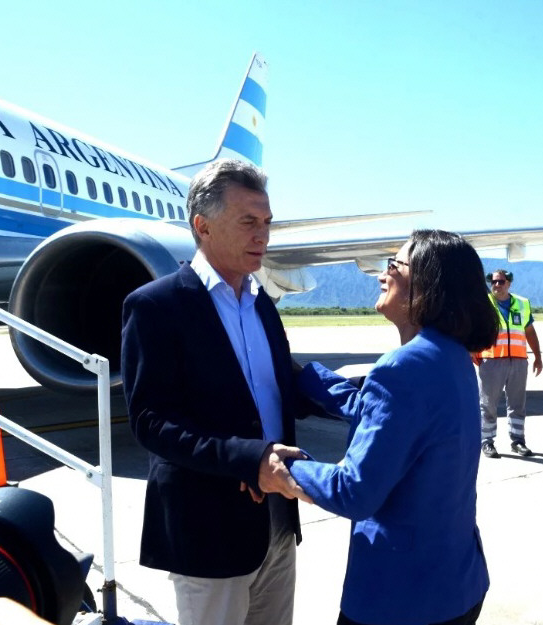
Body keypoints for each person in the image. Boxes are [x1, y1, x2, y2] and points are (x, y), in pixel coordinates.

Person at [120, 159, 308, 625]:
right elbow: (152, 422)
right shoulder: (157, 306)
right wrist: (247, 459)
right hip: (208, 529)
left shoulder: (262, 305)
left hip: (277, 522)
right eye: (248, 222)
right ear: (202, 226)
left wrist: (368, 392)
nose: (263, 235)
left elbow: (281, 387)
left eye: (266, 222)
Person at [288, 230, 499, 625]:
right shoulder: (450, 356)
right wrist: (308, 376)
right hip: (457, 583)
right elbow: (383, 415)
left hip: (402, 599)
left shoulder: (402, 367)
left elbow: (352, 492)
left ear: (427, 286)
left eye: (394, 266)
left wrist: (281, 466)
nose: (382, 275)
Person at [474, 269, 542, 458]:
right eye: (493, 281)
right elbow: (473, 329)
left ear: (509, 283)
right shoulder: (483, 303)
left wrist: (538, 356)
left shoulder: (522, 303)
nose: (497, 285)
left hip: (518, 361)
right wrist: (473, 352)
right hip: (491, 360)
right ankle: (487, 441)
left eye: (501, 281)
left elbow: (529, 331)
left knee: (517, 404)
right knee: (488, 404)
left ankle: (518, 441)